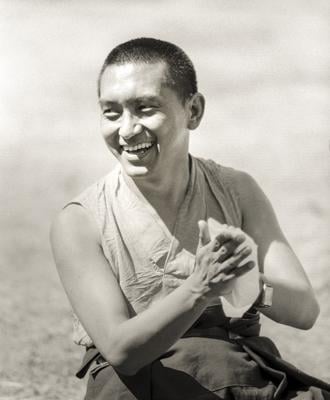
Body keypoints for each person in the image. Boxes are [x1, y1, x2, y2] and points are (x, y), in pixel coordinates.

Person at [50, 38, 330, 399]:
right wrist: (200, 287)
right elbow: (122, 351)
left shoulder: (235, 190)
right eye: (111, 112)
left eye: (145, 108)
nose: (127, 129)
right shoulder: (81, 221)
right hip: (142, 385)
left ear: (193, 110)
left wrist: (246, 282)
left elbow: (304, 310)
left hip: (236, 376)